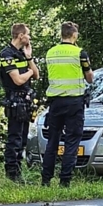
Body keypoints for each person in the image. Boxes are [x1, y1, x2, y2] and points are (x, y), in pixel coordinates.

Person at [41, 21, 94, 187]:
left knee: (52, 141)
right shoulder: (80, 53)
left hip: (55, 103)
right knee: (72, 141)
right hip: (74, 103)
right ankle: (65, 181)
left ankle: (45, 180)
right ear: (74, 35)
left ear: (61, 34)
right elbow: (90, 78)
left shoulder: (51, 53)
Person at [0, 23, 40, 183]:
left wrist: (29, 57)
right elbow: (18, 80)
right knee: (14, 139)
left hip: (25, 101)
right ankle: (12, 173)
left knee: (22, 139)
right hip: (15, 101)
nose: (29, 37)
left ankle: (19, 172)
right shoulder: (6, 54)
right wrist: (29, 72)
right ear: (20, 36)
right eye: (27, 34)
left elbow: (37, 75)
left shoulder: (22, 54)